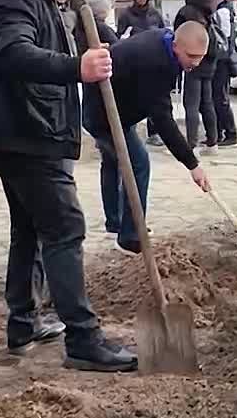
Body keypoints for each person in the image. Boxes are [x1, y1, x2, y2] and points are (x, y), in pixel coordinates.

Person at [0, 0, 136, 372]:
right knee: (64, 228)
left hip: (19, 128)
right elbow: (14, 53)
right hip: (25, 130)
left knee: (30, 226)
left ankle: (23, 320)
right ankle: (83, 339)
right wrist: (76, 67)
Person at [85, 22, 213, 253]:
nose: (195, 63)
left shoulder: (164, 44)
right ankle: (130, 236)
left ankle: (116, 224)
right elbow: (163, 119)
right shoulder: (155, 62)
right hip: (103, 114)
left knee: (114, 162)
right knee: (139, 163)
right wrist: (192, 164)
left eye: (200, 57)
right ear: (176, 45)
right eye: (191, 56)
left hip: (117, 109)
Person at [176, 0, 220, 154]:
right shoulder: (209, 6)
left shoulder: (187, 11)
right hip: (209, 59)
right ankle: (212, 142)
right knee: (207, 103)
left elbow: (179, 35)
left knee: (191, 104)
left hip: (193, 58)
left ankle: (191, 145)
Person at [210, 0, 237, 148]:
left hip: (222, 61)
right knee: (218, 97)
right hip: (222, 60)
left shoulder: (222, 12)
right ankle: (221, 133)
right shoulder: (224, 10)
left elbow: (223, 38)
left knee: (220, 98)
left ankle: (230, 133)